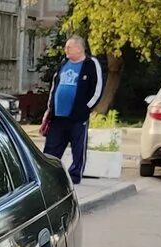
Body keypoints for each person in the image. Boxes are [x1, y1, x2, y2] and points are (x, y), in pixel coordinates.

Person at [42, 36, 104, 185]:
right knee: (52, 146)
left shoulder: (90, 64)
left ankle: (75, 174)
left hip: (77, 115)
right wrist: (49, 109)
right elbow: (54, 87)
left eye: (69, 47)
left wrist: (86, 109)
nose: (66, 50)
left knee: (78, 147)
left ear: (78, 48)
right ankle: (47, 173)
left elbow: (97, 88)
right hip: (58, 115)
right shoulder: (64, 63)